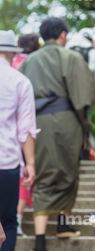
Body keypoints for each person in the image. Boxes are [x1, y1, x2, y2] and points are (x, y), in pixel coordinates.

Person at [19, 18, 95, 251]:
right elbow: (82, 97)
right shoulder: (71, 58)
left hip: (36, 123)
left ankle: (40, 239)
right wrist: (86, 126)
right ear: (63, 35)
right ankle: (63, 224)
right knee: (68, 170)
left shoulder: (29, 62)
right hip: (66, 121)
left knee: (41, 175)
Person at [0, 30, 38, 251]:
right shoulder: (20, 81)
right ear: (13, 54)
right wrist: (30, 164)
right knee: (9, 223)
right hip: (7, 163)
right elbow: (25, 129)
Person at [10, 33, 41, 237]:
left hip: (7, 129)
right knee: (26, 173)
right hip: (29, 123)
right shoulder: (36, 63)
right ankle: (18, 216)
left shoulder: (11, 64)